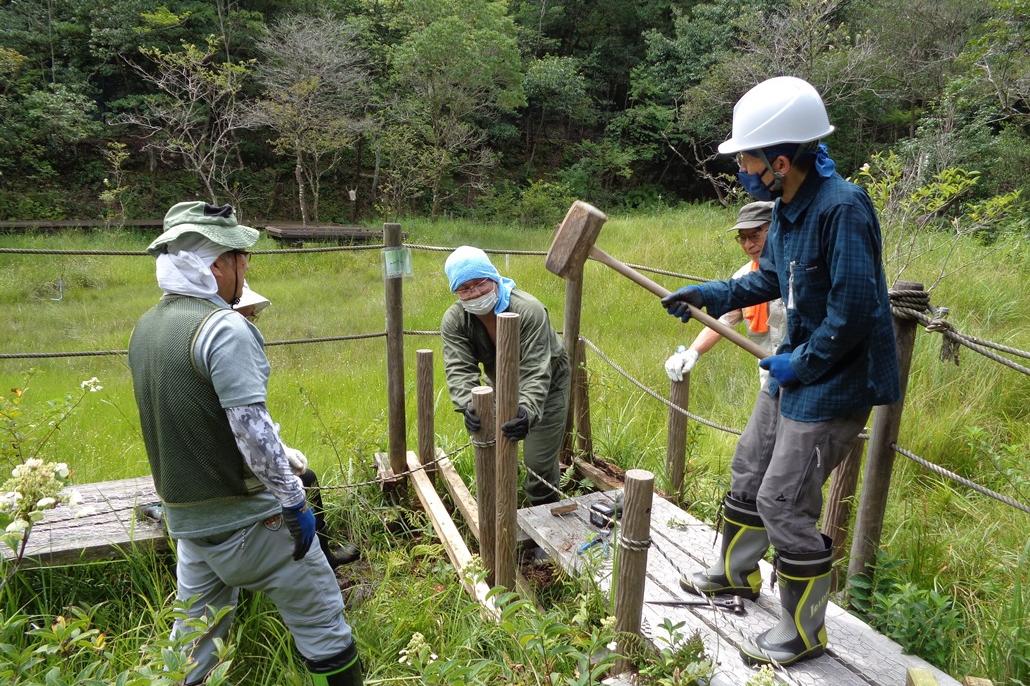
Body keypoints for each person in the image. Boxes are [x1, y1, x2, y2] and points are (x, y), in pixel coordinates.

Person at [661, 76, 900, 666]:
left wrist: (803, 362)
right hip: (797, 367)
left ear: (781, 160)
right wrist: (715, 293)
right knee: (748, 469)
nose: (740, 166)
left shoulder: (842, 209)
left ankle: (803, 631)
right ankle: (735, 575)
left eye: (747, 157)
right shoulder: (787, 208)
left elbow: (854, 311)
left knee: (784, 501)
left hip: (835, 382)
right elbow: (769, 278)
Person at [128, 202, 362, 686]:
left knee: (194, 647)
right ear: (215, 265)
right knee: (324, 627)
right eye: (240, 257)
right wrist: (295, 500)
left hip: (191, 526)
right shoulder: (225, 328)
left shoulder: (145, 329)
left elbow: (193, 419)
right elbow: (250, 431)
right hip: (255, 522)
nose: (246, 266)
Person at [235, 283, 360, 569]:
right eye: (249, 315)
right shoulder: (227, 347)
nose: (253, 322)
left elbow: (249, 424)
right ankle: (316, 563)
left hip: (230, 467)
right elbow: (243, 428)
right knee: (303, 481)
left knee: (307, 476)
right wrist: (279, 463)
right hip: (231, 479)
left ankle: (324, 553)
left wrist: (279, 449)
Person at [440, 246, 569, 506]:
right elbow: (459, 368)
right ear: (456, 292)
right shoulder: (455, 320)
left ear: (494, 278)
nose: (475, 293)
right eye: (465, 288)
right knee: (493, 448)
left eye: (480, 283)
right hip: (500, 383)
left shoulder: (529, 310)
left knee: (538, 463)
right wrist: (469, 404)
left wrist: (527, 410)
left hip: (547, 384)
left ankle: (543, 515)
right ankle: (499, 510)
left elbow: (536, 369)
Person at [663, 201, 784, 388]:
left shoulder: (796, 272)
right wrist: (693, 352)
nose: (749, 245)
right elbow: (722, 322)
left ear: (775, 230)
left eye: (755, 235)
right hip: (770, 383)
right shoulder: (743, 277)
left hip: (805, 377)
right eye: (742, 238)